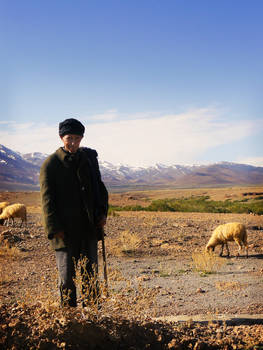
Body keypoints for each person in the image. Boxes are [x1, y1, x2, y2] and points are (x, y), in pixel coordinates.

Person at [39, 118, 108, 308]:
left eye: (77, 139)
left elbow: (100, 190)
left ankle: (93, 316)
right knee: (67, 278)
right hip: (65, 232)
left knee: (90, 274)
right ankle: (70, 319)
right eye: (69, 138)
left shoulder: (88, 161)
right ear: (61, 138)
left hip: (87, 228)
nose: (73, 143)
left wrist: (102, 213)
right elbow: (47, 200)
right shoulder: (51, 164)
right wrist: (55, 229)